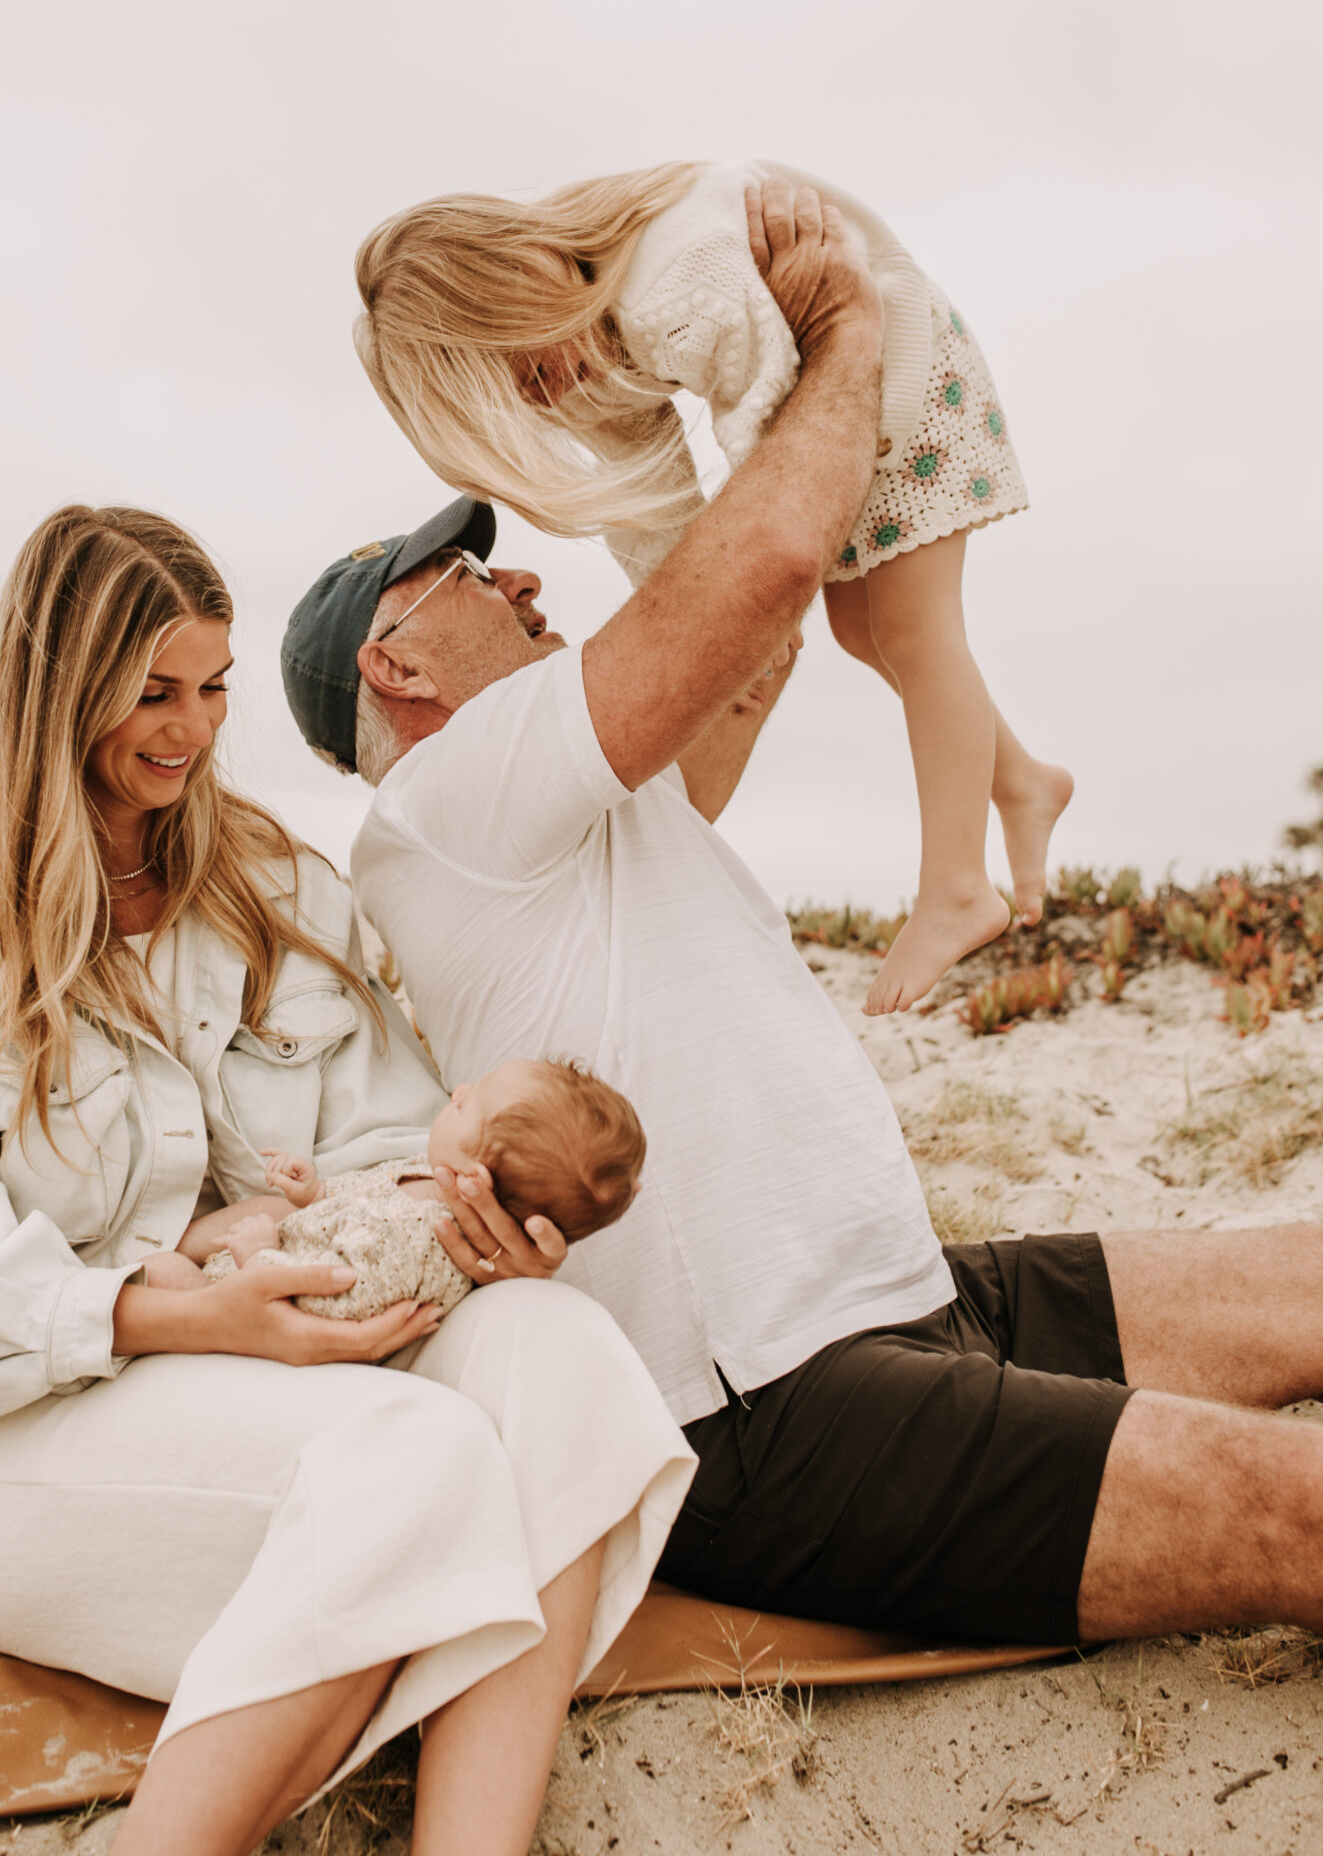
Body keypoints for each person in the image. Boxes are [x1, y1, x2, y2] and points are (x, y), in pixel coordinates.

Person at [283, 180, 1323, 1662]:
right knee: (1293, 1507)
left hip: (907, 1296)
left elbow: (744, 642)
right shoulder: (446, 803)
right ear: (393, 664)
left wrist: (679, 388)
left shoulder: (563, 806)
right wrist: (839, 330)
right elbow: (765, 566)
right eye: (466, 570)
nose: (517, 572)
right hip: (770, 1409)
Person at [0, 504, 693, 1856]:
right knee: (414, 1462)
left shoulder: (278, 886)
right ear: (53, 684)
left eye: (213, 688)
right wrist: (178, 1302)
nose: (193, 730)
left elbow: (390, 1137)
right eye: (154, 692)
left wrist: (445, 1215)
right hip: (32, 1433)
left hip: (289, 1356)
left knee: (562, 1356)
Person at [352, 157, 1072, 1012]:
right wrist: (704, 616)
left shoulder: (675, 283)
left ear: (517, 295)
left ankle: (956, 884)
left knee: (917, 632)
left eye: (524, 375)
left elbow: (772, 444)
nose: (542, 398)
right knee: (863, 631)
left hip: (900, 362)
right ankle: (1022, 780)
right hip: (842, 393)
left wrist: (759, 593)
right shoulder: (582, 347)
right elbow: (652, 517)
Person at [169, 1057, 644, 1320]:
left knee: (165, 1272)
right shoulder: (430, 1177)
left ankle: (162, 1273)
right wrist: (315, 1193)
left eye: (466, 1106)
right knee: (263, 1207)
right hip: (277, 1248)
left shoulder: (415, 1244)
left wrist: (260, 1257)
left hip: (248, 1304)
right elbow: (364, 1199)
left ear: (476, 1179)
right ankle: (172, 1248)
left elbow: (329, 1301)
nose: (456, 1091)